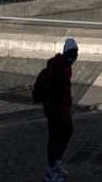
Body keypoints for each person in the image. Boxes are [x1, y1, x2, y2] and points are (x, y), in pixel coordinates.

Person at [30, 37, 78, 182]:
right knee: (56, 137)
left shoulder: (64, 65)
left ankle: (56, 164)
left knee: (66, 132)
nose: (74, 56)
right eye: (72, 53)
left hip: (62, 108)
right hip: (55, 108)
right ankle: (51, 170)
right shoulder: (59, 68)